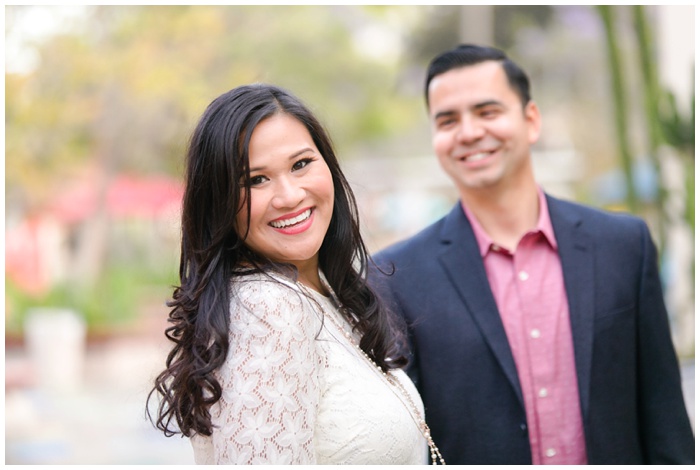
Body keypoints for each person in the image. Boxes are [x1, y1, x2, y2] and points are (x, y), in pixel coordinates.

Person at [371, 44, 694, 465]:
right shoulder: (395, 276)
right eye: (447, 120)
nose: (468, 132)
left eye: (487, 112)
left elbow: (663, 414)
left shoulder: (623, 244)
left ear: (531, 121)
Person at [146, 83, 445, 465]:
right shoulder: (269, 308)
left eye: (301, 164)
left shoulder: (324, 295)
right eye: (255, 180)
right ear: (218, 203)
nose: (289, 196)